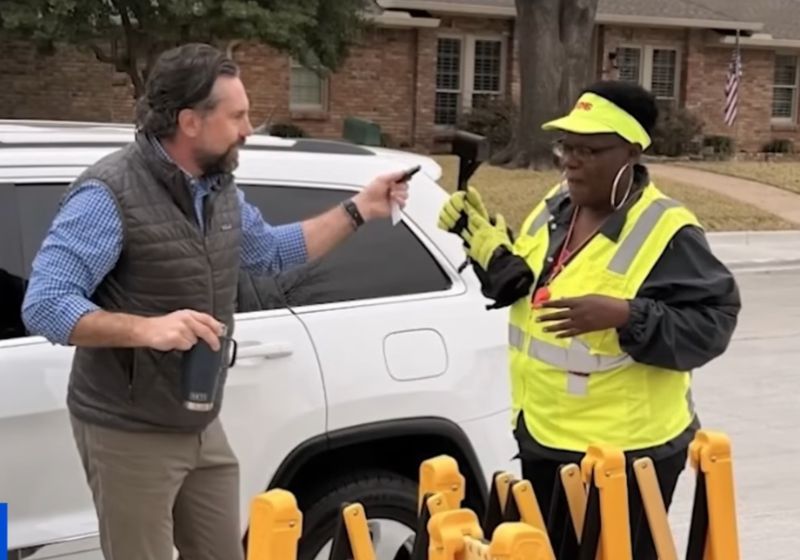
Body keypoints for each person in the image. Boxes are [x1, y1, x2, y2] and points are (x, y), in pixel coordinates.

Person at [21, 43, 409, 560]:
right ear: (190, 122)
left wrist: (360, 209)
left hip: (201, 421)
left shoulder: (218, 189)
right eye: (238, 115)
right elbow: (46, 302)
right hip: (128, 429)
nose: (249, 128)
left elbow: (269, 252)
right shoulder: (109, 193)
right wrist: (146, 329)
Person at [437, 80, 741, 558]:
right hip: (544, 437)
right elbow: (533, 289)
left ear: (632, 153)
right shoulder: (556, 206)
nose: (571, 160)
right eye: (567, 146)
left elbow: (712, 325)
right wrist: (488, 250)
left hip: (628, 456)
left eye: (590, 149)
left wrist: (625, 315)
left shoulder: (668, 230)